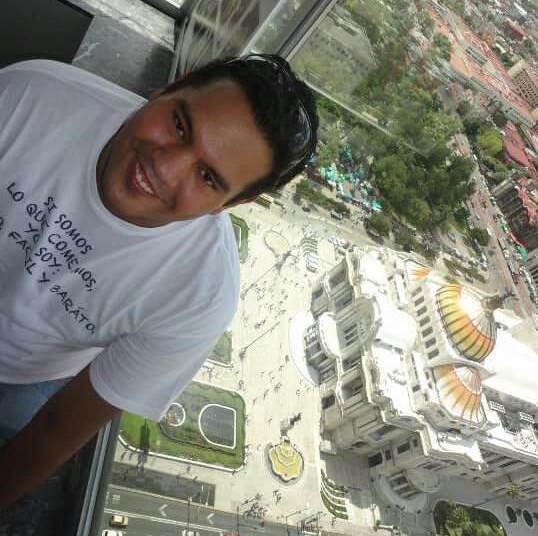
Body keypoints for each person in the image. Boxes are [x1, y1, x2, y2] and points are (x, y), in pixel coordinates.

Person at [0, 53, 318, 506]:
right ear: (168, 89)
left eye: (207, 177)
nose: (164, 169)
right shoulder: (30, 96)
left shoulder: (199, 294)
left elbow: (56, 431)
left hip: (29, 381)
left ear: (231, 204)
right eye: (180, 126)